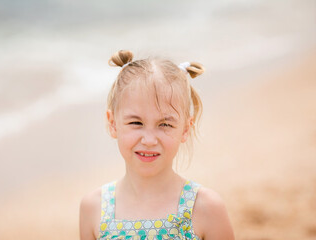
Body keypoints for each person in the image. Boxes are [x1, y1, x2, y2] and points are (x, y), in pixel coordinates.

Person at [79, 50, 234, 240]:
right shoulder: (93, 208)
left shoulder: (206, 208)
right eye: (136, 123)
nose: (149, 140)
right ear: (112, 124)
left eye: (165, 124)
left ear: (185, 129)